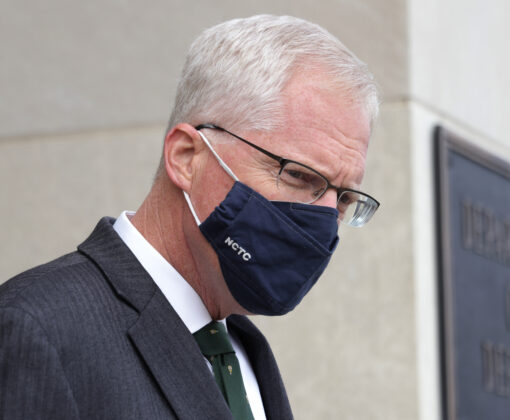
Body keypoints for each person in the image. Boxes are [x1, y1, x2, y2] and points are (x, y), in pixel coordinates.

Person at [0, 15, 379, 419]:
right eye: (300, 176)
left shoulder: (245, 352)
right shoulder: (37, 327)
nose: (324, 222)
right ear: (186, 157)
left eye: (343, 200)